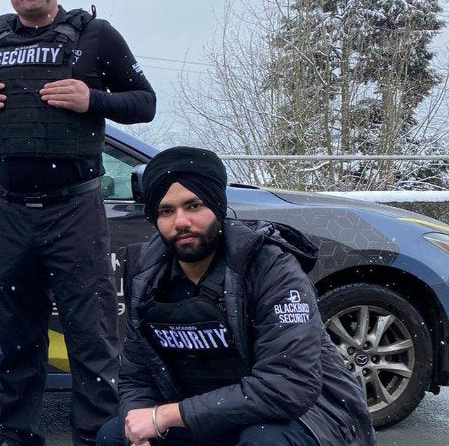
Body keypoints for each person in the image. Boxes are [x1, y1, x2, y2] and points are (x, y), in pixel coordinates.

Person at [0, 0, 156, 446]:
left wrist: (93, 99)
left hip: (75, 209)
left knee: (91, 334)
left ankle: (95, 435)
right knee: (19, 334)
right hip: (12, 212)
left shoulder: (97, 37)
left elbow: (145, 103)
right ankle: (18, 433)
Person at [97, 146, 374, 446]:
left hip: (304, 417)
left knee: (263, 442)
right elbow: (137, 376)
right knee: (115, 437)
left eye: (193, 206)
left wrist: (165, 416)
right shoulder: (146, 275)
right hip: (204, 415)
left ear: (217, 207)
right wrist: (142, 427)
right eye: (166, 211)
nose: (180, 222)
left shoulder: (269, 267)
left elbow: (288, 385)